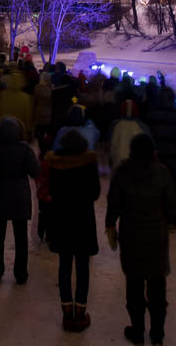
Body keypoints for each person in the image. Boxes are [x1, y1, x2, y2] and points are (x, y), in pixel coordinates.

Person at [106, 132, 176, 345]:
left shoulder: (122, 172)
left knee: (134, 283)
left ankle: (137, 330)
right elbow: (171, 202)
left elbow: (114, 202)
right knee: (157, 285)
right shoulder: (162, 172)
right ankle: (157, 332)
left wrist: (110, 224)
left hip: (131, 234)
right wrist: (171, 221)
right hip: (156, 236)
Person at [46, 128, 100, 332]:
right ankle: (80, 310)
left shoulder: (56, 163)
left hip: (62, 219)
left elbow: (51, 191)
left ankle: (67, 312)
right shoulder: (89, 162)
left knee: (65, 264)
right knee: (83, 266)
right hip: (84, 219)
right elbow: (95, 192)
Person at [0, 116, 40, 284]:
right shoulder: (24, 149)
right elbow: (35, 171)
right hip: (20, 197)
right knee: (21, 238)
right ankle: (20, 273)